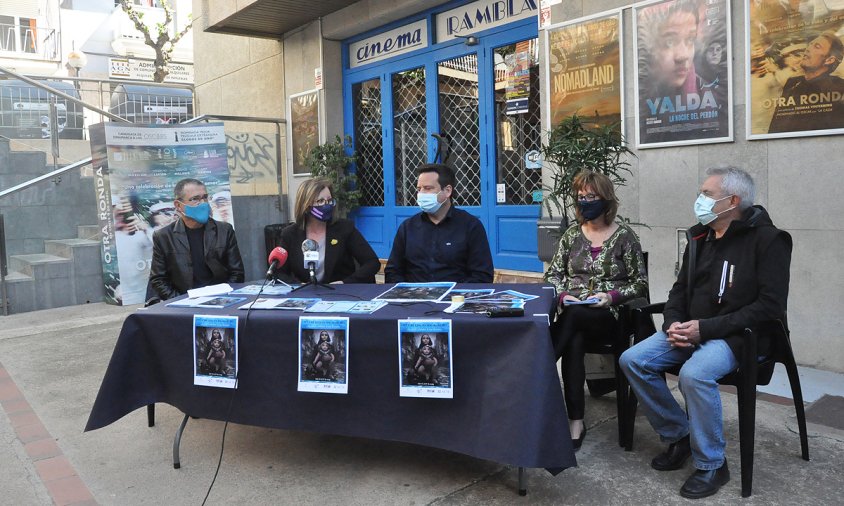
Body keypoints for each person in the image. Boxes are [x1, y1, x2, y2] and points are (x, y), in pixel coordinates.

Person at [619, 167, 791, 499]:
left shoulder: (769, 240)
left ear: (733, 201)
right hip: (692, 330)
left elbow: (769, 306)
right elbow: (679, 291)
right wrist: (673, 325)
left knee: (694, 374)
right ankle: (679, 434)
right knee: (633, 360)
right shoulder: (700, 237)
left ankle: (712, 463)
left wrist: (705, 329)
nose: (699, 200)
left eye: (707, 194)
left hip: (739, 335)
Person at [543, 171, 648, 451]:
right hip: (576, 313)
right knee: (574, 337)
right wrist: (563, 294)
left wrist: (610, 296)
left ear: (606, 199)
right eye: (580, 196)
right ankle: (575, 421)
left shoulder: (625, 237)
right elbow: (552, 275)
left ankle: (539, 364)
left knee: (573, 319)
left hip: (610, 317)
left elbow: (640, 283)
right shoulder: (571, 235)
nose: (585, 201)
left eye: (591, 196)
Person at [385, 164, 494, 283]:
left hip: (455, 298)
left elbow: (482, 275)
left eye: (428, 188)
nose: (421, 194)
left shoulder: (470, 226)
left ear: (447, 191)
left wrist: (454, 295)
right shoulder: (407, 227)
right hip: (414, 299)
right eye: (419, 189)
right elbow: (392, 272)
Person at [149, 178, 245, 301]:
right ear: (178, 205)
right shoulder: (163, 236)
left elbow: (237, 273)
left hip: (222, 302)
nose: (203, 203)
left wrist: (222, 298)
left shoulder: (224, 230)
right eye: (195, 199)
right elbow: (158, 279)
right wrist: (182, 302)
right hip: (183, 305)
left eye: (205, 197)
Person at [276, 177, 380, 284]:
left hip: (340, 294)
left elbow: (372, 263)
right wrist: (297, 286)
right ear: (306, 206)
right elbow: (278, 272)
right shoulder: (290, 234)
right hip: (305, 296)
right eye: (321, 201)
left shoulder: (344, 228)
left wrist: (346, 283)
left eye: (330, 200)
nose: (327, 205)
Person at [769, 31, 844, 133]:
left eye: (816, 47)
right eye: (810, 45)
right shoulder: (792, 82)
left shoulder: (839, 87)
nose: (808, 49)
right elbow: (776, 124)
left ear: (829, 60)